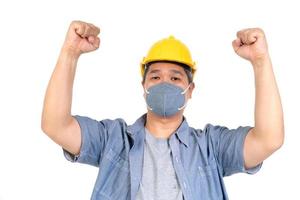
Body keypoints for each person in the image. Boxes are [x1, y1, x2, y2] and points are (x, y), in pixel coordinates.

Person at [41, 20, 284, 200]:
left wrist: (260, 61)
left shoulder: (211, 147)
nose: (164, 83)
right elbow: (55, 125)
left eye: (176, 78)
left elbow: (269, 139)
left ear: (190, 90)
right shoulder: (112, 140)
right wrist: (70, 53)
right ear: (144, 86)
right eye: (155, 76)